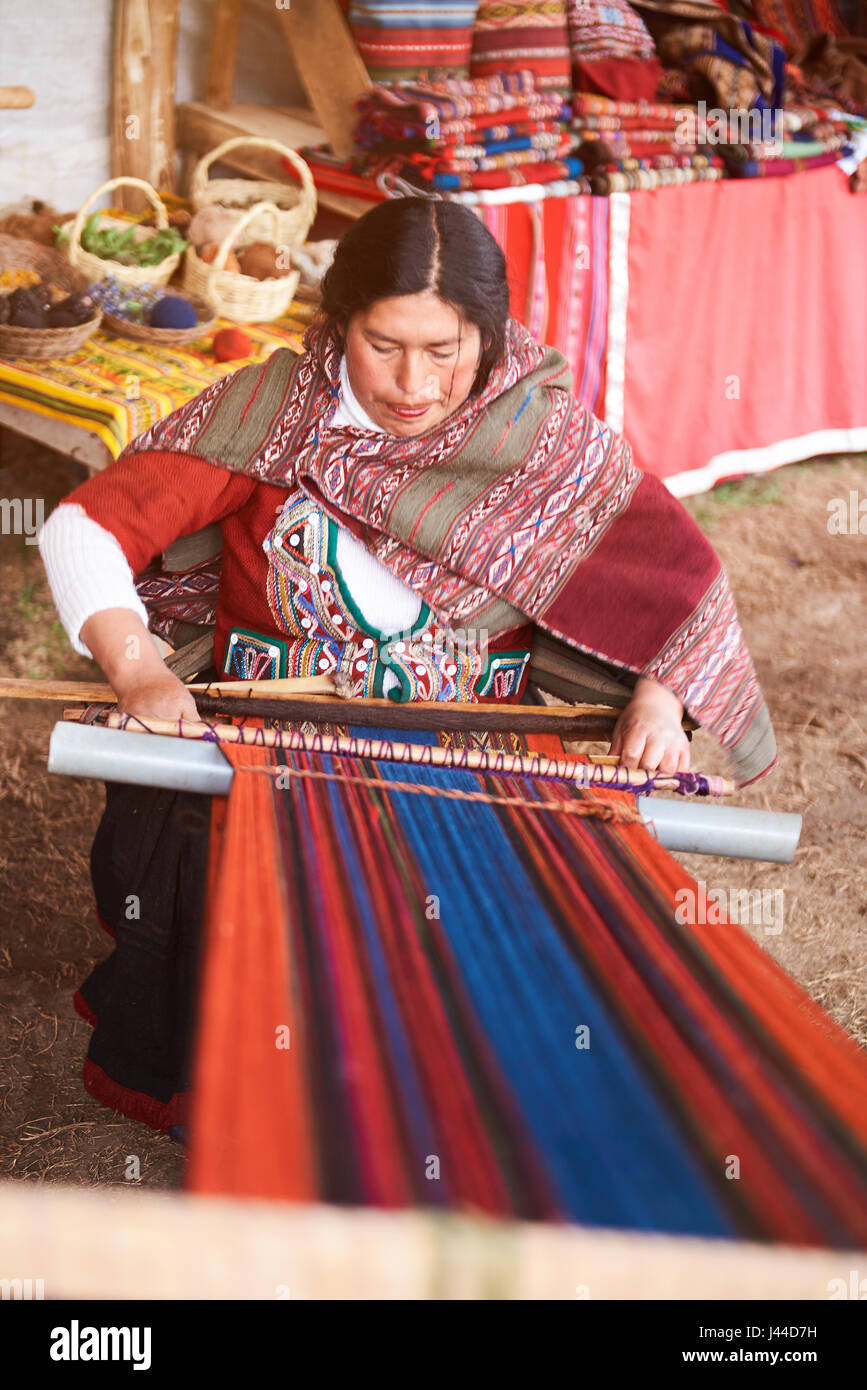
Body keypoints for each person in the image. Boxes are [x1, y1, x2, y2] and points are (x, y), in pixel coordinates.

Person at [39, 196, 775, 1135]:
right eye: (383, 345)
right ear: (339, 322)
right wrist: (139, 670)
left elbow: (675, 581)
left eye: (446, 348)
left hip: (468, 762)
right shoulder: (275, 414)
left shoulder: (539, 436)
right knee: (276, 963)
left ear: (489, 332)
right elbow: (83, 526)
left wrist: (661, 702)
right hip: (272, 750)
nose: (413, 383)